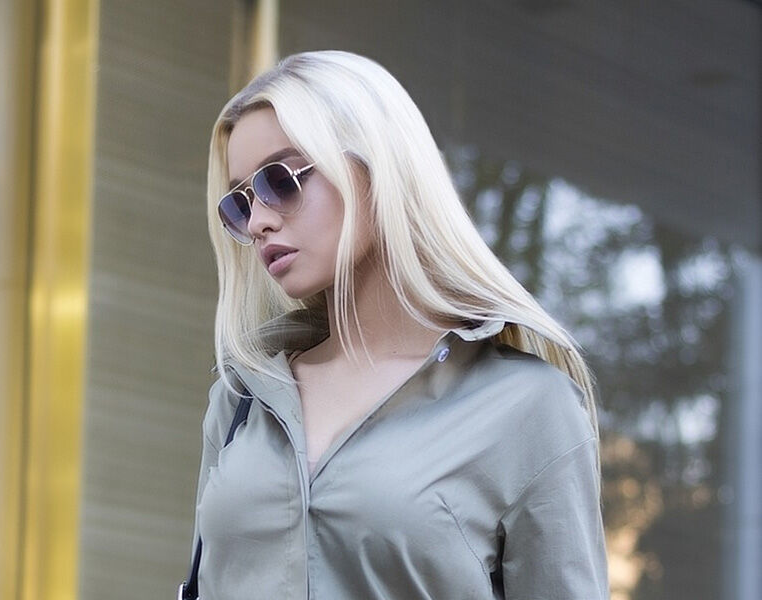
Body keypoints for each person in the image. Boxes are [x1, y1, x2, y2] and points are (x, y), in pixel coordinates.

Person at [186, 50, 609, 599]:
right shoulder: (241, 399)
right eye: (240, 204)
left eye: (279, 180)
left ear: (371, 167)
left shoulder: (528, 405)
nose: (261, 220)